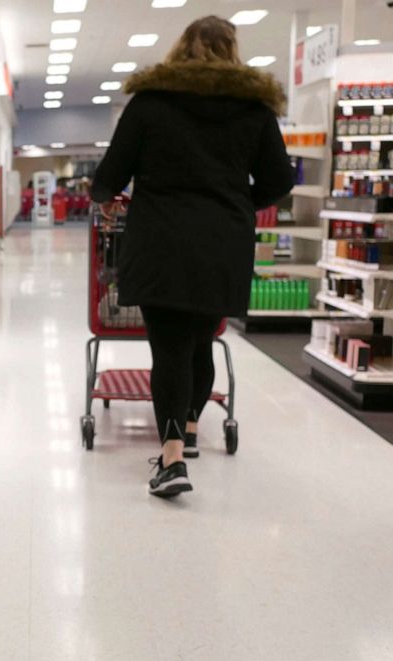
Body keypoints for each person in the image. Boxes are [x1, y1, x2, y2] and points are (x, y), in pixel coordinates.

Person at [90, 15, 293, 498]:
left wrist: (104, 193)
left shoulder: (151, 103)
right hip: (223, 240)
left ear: (180, 49)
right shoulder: (254, 110)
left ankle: (173, 458)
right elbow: (280, 181)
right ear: (232, 51)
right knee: (202, 339)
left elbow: (109, 175)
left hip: (162, 238)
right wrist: (240, 200)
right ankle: (192, 426)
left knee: (170, 348)